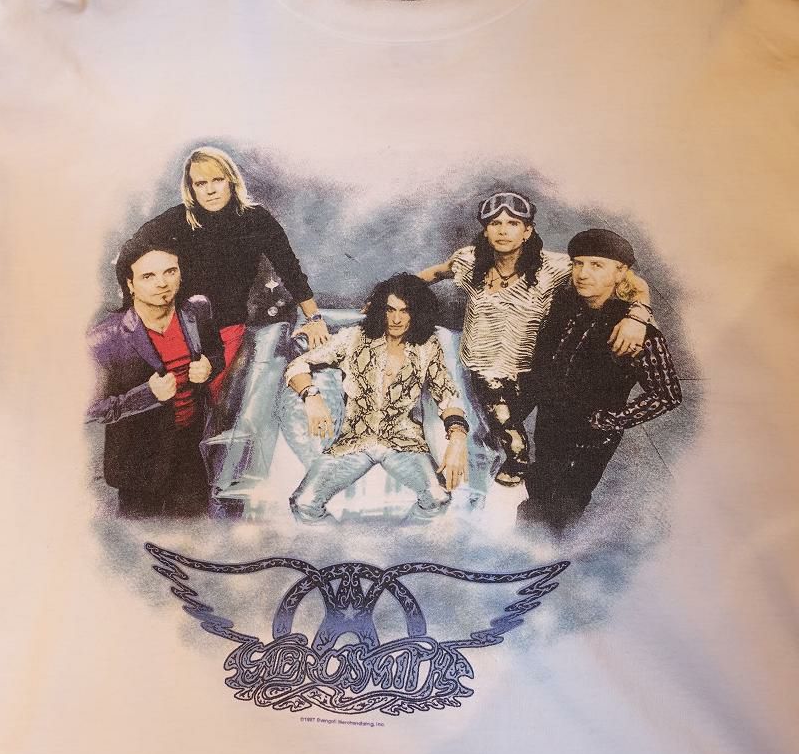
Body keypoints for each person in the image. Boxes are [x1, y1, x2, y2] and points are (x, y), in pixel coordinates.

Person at [419, 191, 654, 487]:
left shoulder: (552, 267)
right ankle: (516, 464)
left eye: (513, 223)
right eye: (495, 223)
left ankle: (538, 480)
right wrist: (396, 293)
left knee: (517, 426)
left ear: (527, 231)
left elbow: (632, 281)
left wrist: (638, 316)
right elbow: (436, 273)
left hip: (531, 368)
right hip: (483, 367)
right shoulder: (469, 260)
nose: (503, 230)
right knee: (505, 428)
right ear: (486, 230)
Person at [130, 145, 330, 400]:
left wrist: (314, 318)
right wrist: (136, 308)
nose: (210, 190)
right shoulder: (178, 219)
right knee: (173, 405)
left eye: (217, 180)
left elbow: (290, 270)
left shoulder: (257, 219)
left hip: (227, 331)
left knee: (213, 405)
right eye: (201, 183)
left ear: (231, 181)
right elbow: (131, 251)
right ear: (191, 188)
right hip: (177, 330)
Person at [522, 228, 682, 526]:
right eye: (578, 263)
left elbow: (667, 394)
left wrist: (609, 420)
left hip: (590, 439)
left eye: (597, 265)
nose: (583, 273)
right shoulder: (565, 306)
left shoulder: (637, 332)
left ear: (620, 272)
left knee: (567, 503)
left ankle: (555, 547)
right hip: (549, 424)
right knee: (539, 487)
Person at [285, 273, 469, 524]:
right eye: (390, 310)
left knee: (437, 499)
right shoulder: (354, 338)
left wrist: (457, 438)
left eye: (405, 311)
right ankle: (342, 545)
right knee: (304, 503)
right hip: (354, 441)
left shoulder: (427, 346)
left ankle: (405, 542)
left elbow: (446, 394)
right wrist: (311, 396)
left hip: (403, 441)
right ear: (380, 310)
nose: (396, 319)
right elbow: (298, 365)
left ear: (417, 313)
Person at [87, 239, 225, 518]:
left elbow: (216, 351)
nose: (162, 283)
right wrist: (146, 396)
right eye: (148, 276)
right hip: (138, 463)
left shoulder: (196, 311)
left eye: (170, 271)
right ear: (130, 284)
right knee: (140, 537)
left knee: (194, 533)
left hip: (191, 453)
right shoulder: (104, 339)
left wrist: (210, 365)